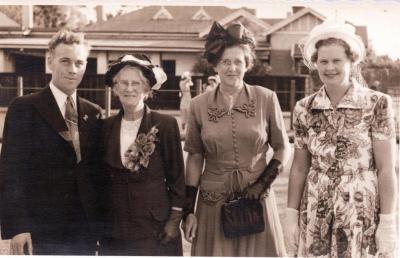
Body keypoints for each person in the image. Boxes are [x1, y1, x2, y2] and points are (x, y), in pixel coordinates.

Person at [284, 19, 398, 257]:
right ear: (314, 64)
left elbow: (386, 169)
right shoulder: (304, 108)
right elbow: (298, 168)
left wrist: (388, 222)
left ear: (351, 61)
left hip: (361, 210)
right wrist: (291, 215)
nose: (330, 67)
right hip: (316, 208)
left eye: (337, 60)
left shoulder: (377, 104)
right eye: (323, 61)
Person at [182, 21, 290, 256]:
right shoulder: (198, 105)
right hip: (213, 204)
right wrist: (188, 210)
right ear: (215, 66)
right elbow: (194, 157)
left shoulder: (267, 98)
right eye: (225, 62)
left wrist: (262, 184)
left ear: (247, 65)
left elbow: (283, 148)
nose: (232, 68)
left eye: (238, 62)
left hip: (256, 201)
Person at [0, 29, 102, 255]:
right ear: (49, 61)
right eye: (65, 61)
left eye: (79, 62)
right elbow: (11, 172)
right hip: (41, 229)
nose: (72, 69)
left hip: (84, 231)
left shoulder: (94, 113)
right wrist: (19, 227)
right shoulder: (24, 108)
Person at [99, 54, 185, 256]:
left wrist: (174, 221)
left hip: (155, 226)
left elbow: (177, 178)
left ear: (146, 89)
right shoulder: (105, 127)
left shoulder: (165, 124)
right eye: (124, 83)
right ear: (115, 87)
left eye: (136, 83)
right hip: (115, 228)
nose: (129, 88)